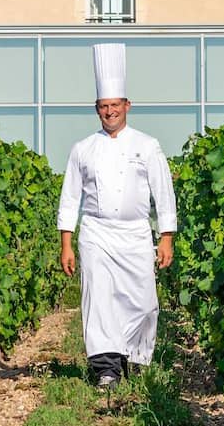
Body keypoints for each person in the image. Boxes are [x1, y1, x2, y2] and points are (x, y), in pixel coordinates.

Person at [57, 42, 178, 388]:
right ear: (96, 109)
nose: (109, 112)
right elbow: (70, 198)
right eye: (103, 106)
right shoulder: (83, 148)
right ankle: (105, 368)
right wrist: (66, 243)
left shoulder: (147, 145)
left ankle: (136, 359)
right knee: (98, 299)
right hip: (95, 232)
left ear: (127, 106)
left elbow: (163, 192)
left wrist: (165, 236)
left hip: (137, 232)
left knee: (143, 301)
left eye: (115, 105)